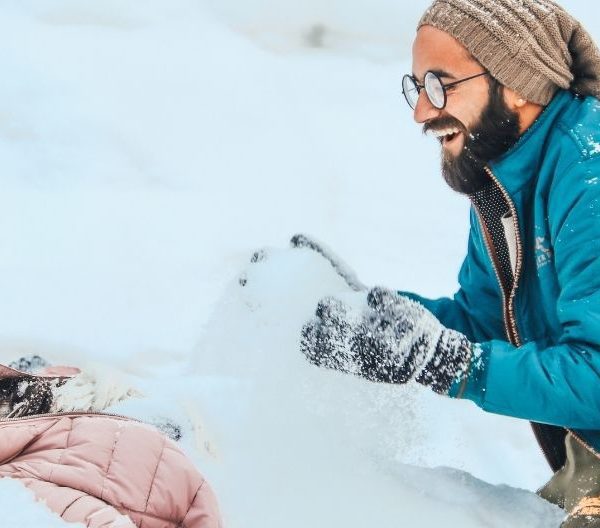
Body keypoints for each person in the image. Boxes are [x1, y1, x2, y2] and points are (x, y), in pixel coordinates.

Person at [298, 0, 600, 525]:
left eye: (440, 84)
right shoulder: (501, 177)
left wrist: (447, 363)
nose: (421, 110)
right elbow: (487, 322)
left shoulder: (589, 173)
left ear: (518, 82)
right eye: (416, 87)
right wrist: (367, 317)